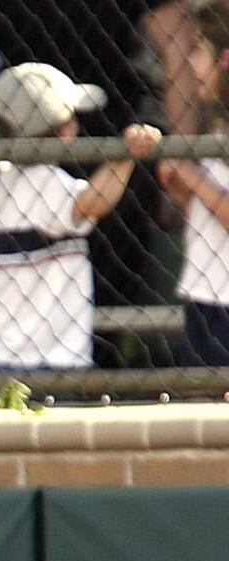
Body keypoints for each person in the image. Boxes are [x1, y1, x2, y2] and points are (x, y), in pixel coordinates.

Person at [0, 0, 198, 355]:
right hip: (16, 124)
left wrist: (181, 169)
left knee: (113, 236)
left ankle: (102, 362)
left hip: (114, 123)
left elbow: (177, 46)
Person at [0, 63, 161, 373]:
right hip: (50, 360)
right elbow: (93, 201)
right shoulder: (46, 180)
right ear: (63, 131)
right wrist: (126, 157)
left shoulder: (0, 186)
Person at [157, 6, 229, 366]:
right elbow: (208, 208)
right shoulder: (214, 127)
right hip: (205, 290)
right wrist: (181, 186)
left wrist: (194, 179)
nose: (188, 62)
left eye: (197, 50)